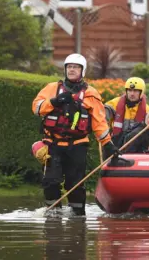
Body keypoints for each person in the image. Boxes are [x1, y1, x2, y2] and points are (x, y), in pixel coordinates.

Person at [32, 53, 120, 216]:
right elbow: (36, 107)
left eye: (76, 67)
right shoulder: (52, 89)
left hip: (78, 145)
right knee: (51, 182)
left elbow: (99, 122)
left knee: (76, 184)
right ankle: (53, 215)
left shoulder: (91, 94)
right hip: (53, 145)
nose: (72, 70)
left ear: (82, 71)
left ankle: (78, 217)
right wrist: (54, 102)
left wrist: (107, 144)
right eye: (69, 67)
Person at [104, 77, 149, 149]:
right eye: (129, 90)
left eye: (135, 91)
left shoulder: (147, 110)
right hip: (115, 146)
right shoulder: (114, 104)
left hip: (136, 148)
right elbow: (102, 117)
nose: (132, 94)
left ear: (141, 92)